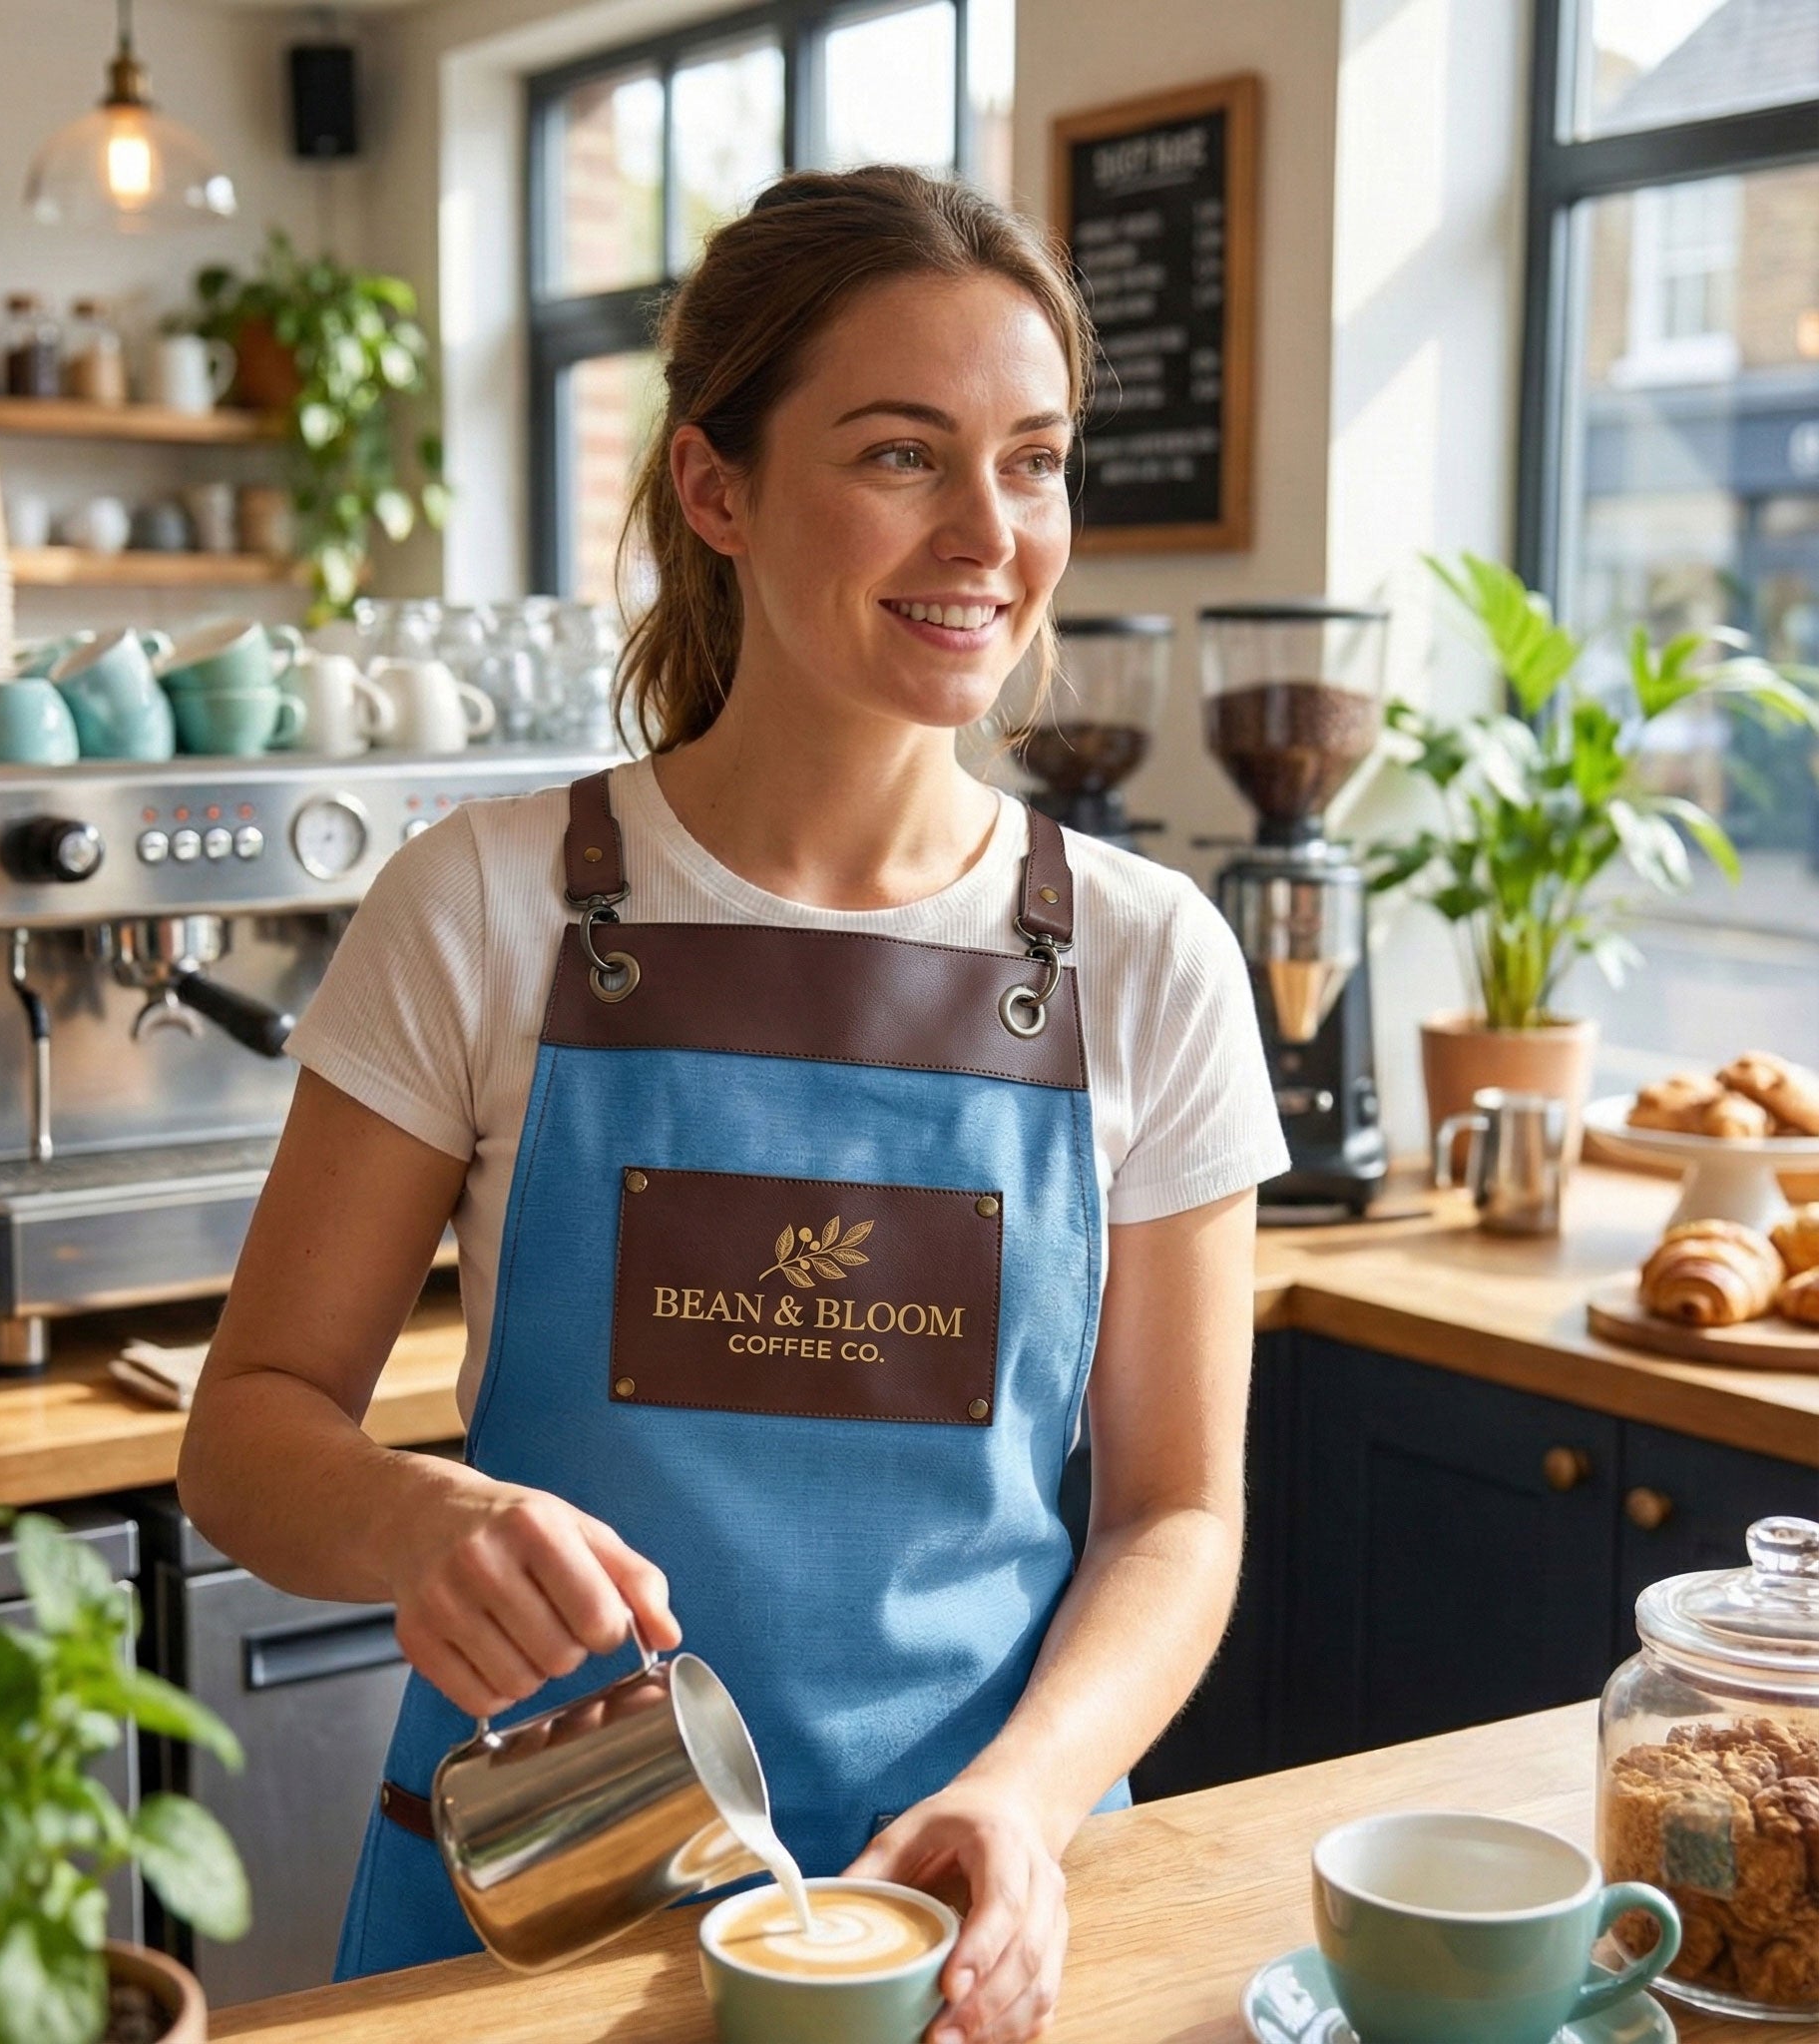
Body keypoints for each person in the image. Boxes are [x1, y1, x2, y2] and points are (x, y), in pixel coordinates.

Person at [180, 164, 1286, 2044]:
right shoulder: (487, 906)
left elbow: (1175, 1517)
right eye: (901, 454)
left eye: (1033, 461)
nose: (988, 533)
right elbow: (250, 1431)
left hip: (973, 1912)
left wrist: (1023, 1803)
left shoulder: (1148, 955)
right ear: (715, 487)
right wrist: (409, 1525)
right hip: (551, 1901)